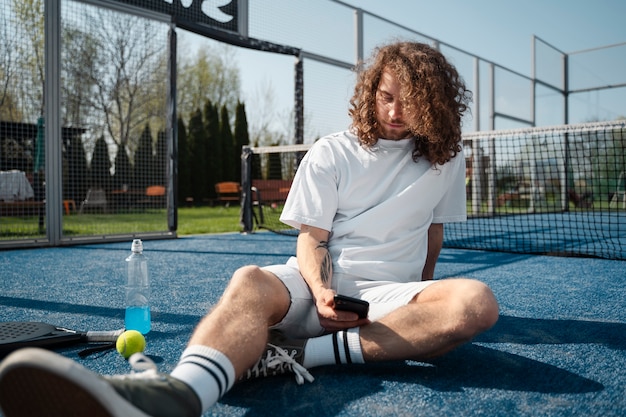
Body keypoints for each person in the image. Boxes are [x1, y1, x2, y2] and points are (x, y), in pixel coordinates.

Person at [0, 41, 499, 417]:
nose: (393, 112)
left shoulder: (445, 159)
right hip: (313, 287)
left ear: (431, 103)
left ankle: (302, 355)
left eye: (407, 102)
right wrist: (323, 291)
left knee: (474, 305)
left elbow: (433, 230)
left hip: (390, 298)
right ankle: (179, 393)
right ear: (371, 93)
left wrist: (423, 290)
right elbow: (313, 238)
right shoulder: (332, 151)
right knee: (248, 279)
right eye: (385, 97)